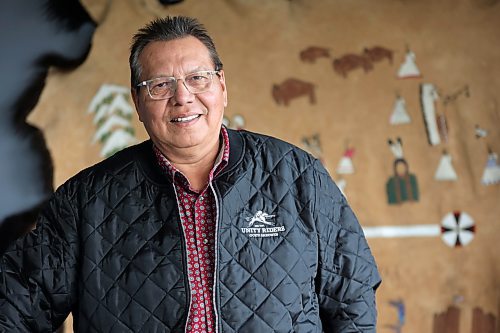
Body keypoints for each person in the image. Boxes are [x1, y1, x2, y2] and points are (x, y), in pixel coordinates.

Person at [0, 16, 381, 332]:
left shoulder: (300, 177)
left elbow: (353, 299)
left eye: (197, 78)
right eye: (160, 85)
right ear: (138, 102)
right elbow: (16, 306)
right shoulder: (86, 199)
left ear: (222, 86)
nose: (182, 97)